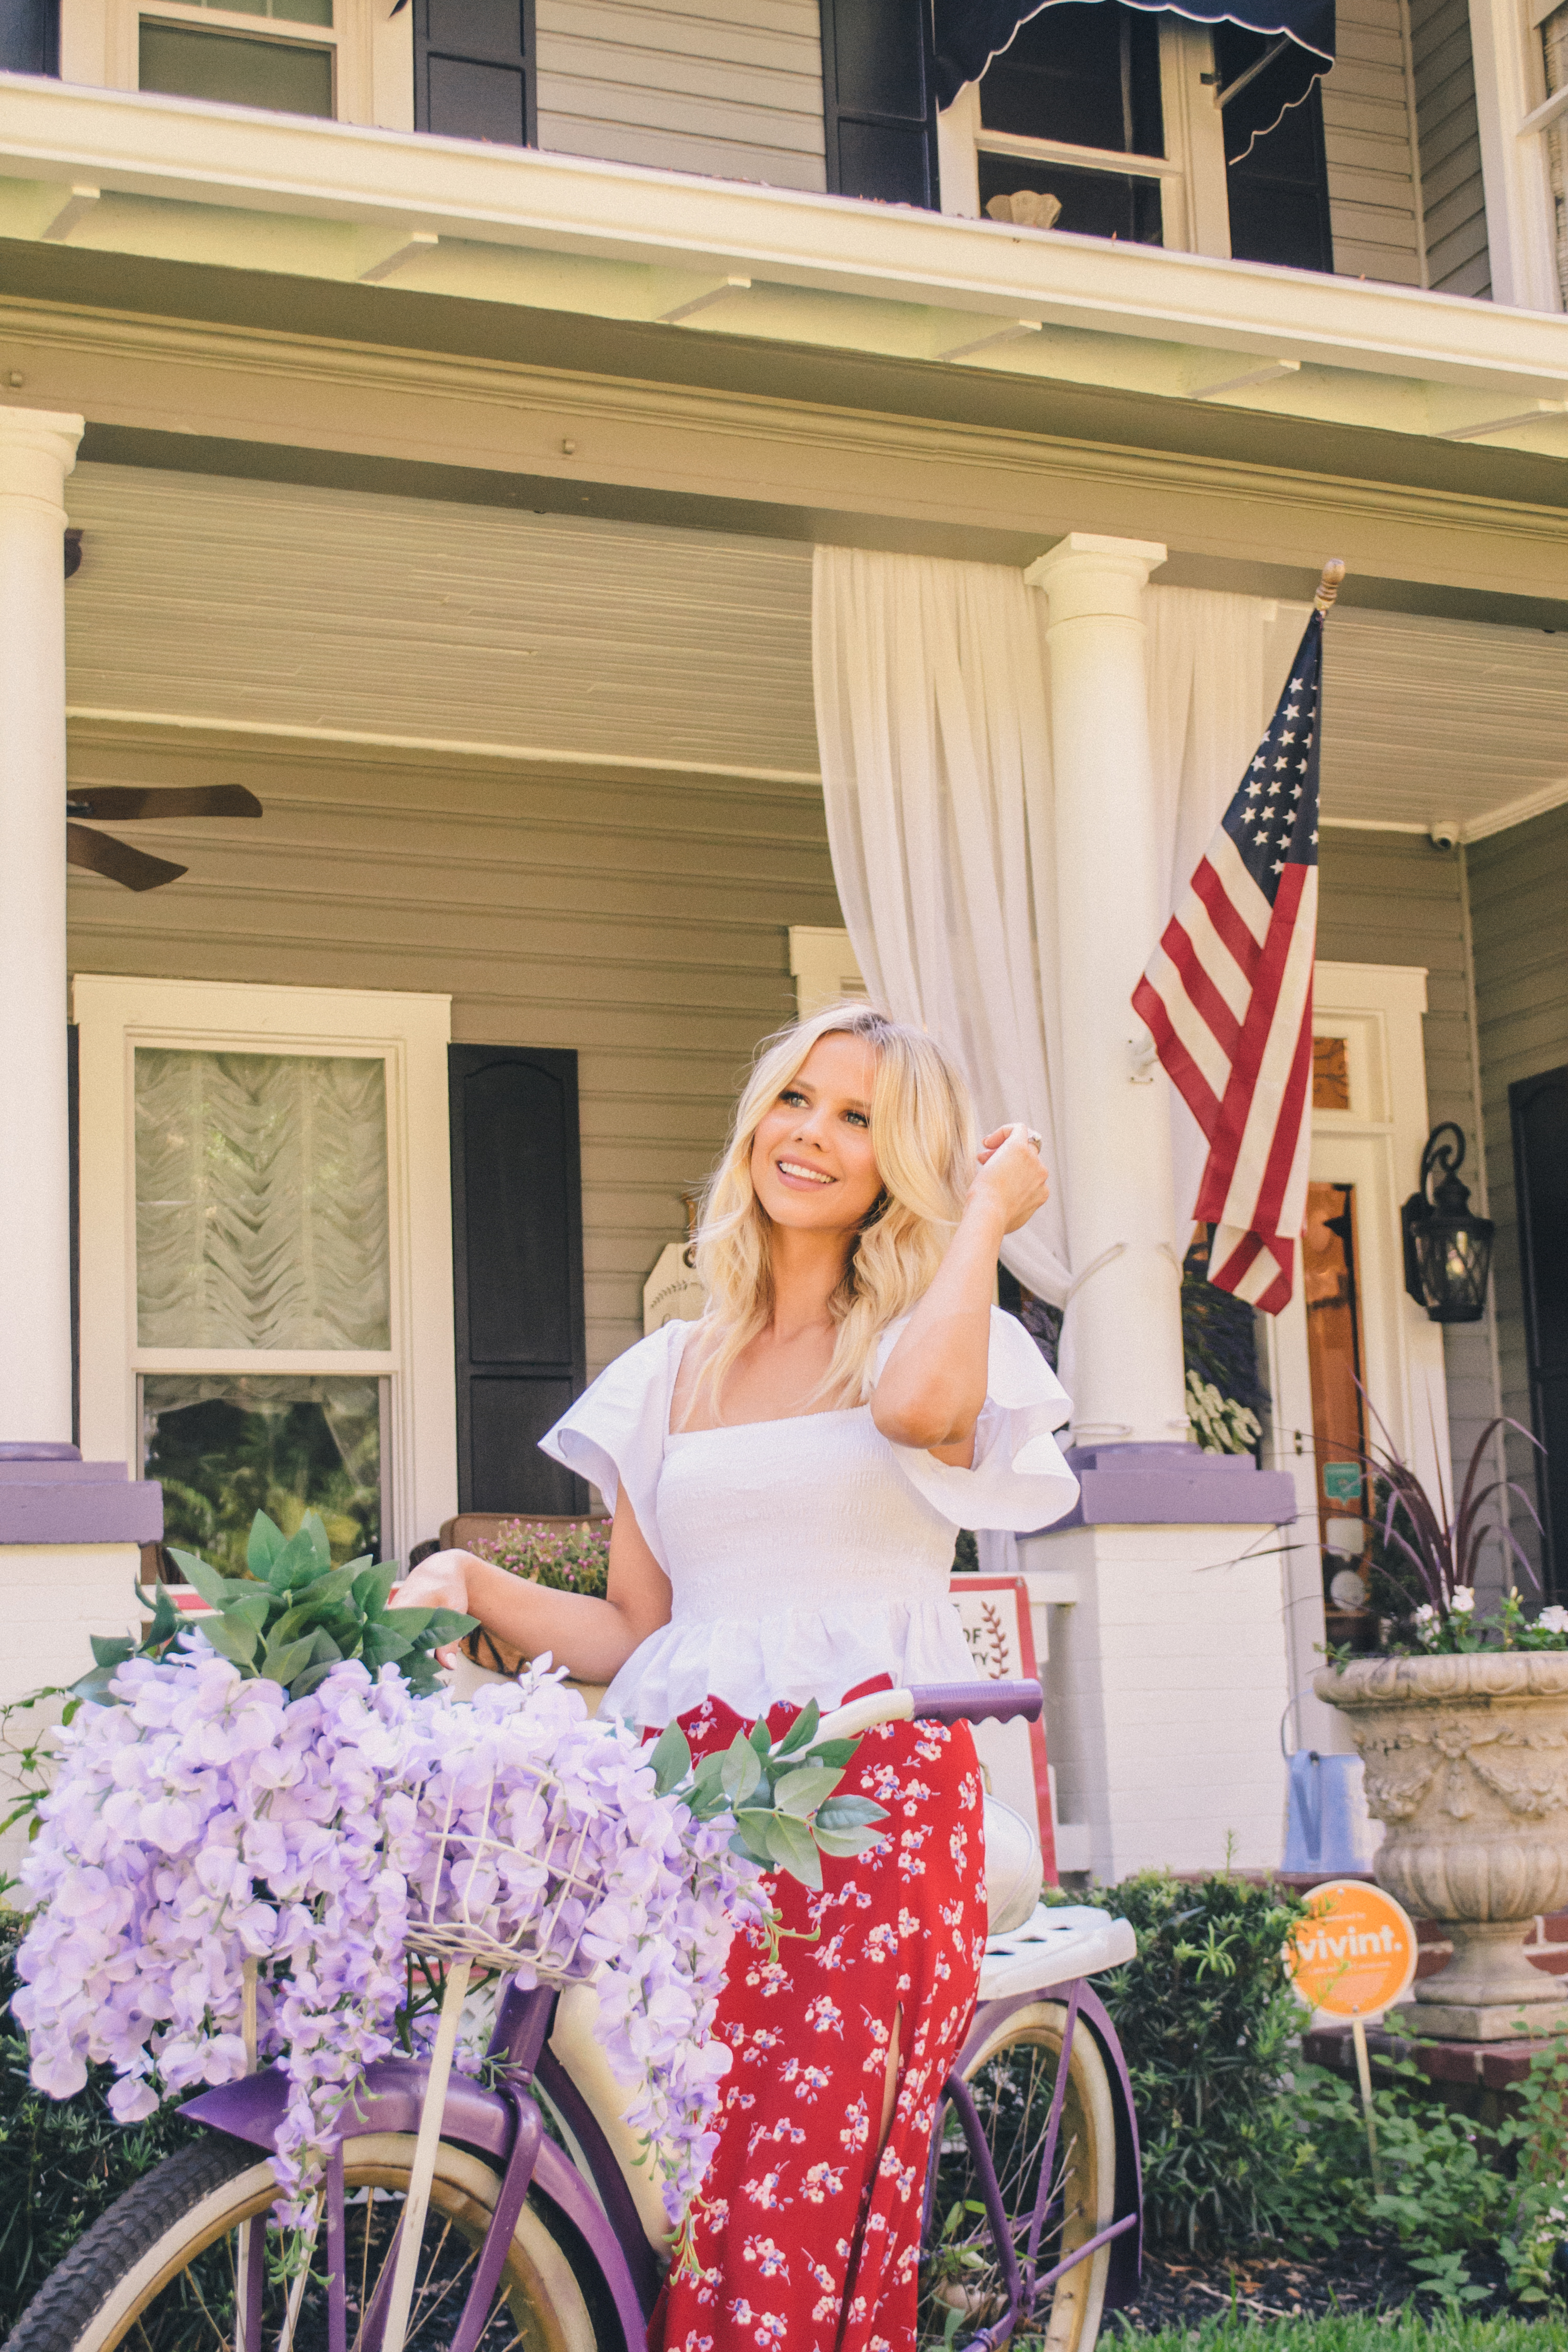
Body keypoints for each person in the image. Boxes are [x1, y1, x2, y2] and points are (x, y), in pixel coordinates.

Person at [393, 1003, 1079, 2352]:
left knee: (784, 2203)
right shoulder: (668, 1370)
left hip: (862, 1802)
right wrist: (472, 1587)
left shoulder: (929, 1333)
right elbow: (641, 1631)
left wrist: (986, 1218)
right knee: (677, 2183)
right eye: (796, 1100)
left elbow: (918, 1419)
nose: (813, 1135)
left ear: (904, 1162)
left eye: (860, 1117)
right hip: (679, 1807)